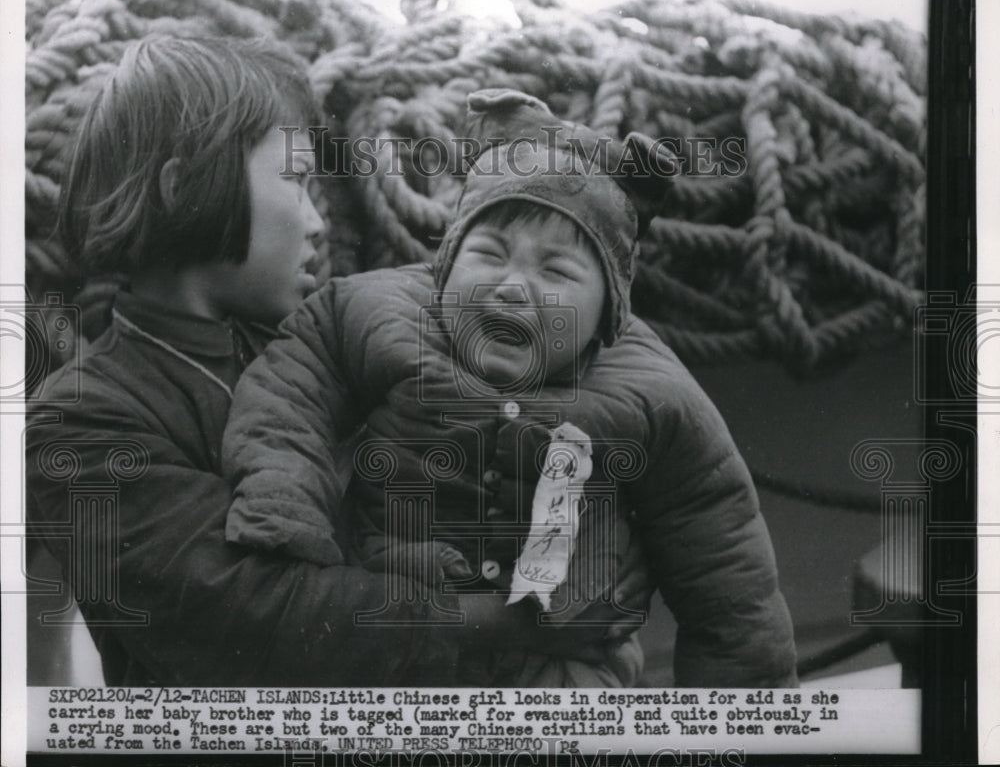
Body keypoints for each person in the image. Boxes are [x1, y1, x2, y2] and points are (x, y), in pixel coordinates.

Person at [24, 38, 637, 687]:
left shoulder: (317, 346)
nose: (318, 222)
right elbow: (253, 620)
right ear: (184, 191)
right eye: (296, 182)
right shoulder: (79, 421)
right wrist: (514, 621)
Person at [223, 89, 798, 687]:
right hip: (391, 652)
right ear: (445, 263)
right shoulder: (368, 312)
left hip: (565, 671)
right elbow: (288, 401)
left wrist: (749, 722)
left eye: (556, 271)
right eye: (489, 254)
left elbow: (728, 575)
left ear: (609, 310)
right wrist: (282, 520)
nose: (513, 287)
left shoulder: (655, 394)